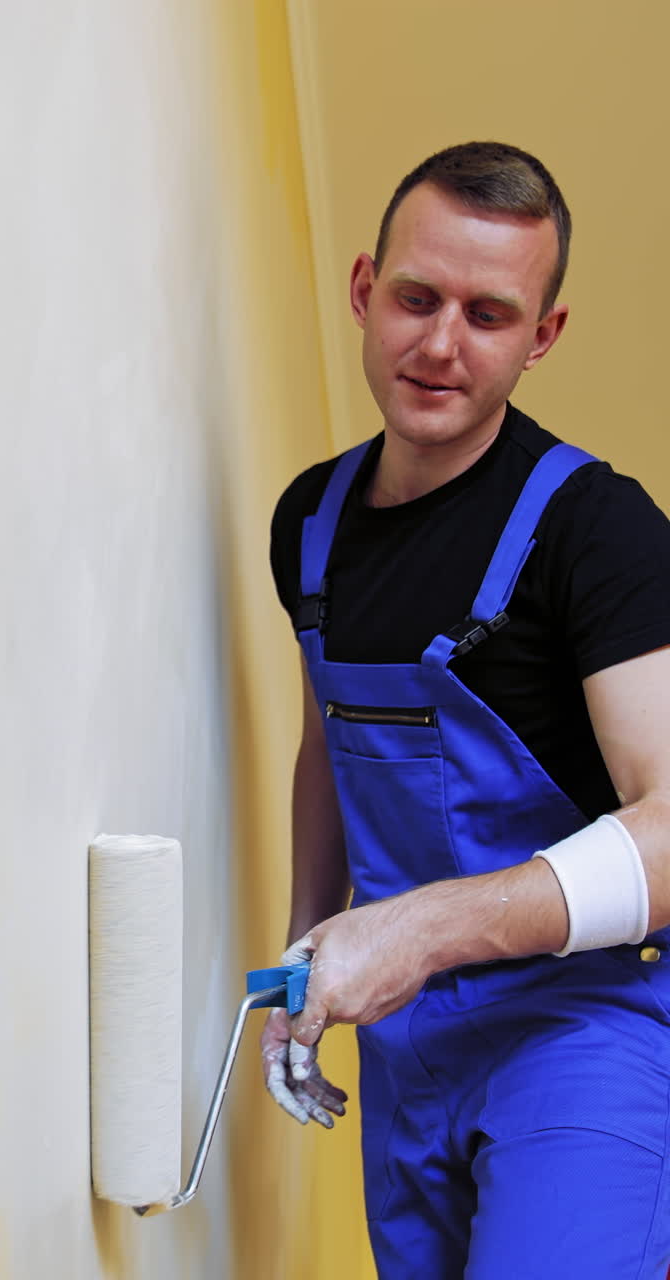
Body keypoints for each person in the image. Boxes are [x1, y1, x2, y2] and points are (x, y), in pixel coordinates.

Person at [261, 141, 670, 1278]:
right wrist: (308, 952)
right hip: (405, 1049)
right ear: (362, 288)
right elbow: (328, 750)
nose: (441, 344)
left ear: (543, 336)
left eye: (489, 314)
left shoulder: (601, 532)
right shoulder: (311, 519)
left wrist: (417, 929)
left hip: (584, 1033)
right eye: (416, 297)